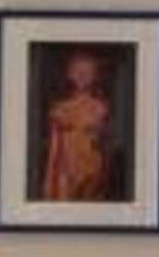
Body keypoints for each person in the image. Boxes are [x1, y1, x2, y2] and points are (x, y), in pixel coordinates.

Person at [38, 49, 118, 202]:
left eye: (88, 71)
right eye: (78, 71)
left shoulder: (100, 108)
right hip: (66, 169)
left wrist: (104, 173)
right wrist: (49, 181)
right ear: (70, 74)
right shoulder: (60, 110)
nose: (82, 75)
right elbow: (54, 149)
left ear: (95, 75)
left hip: (93, 168)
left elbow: (105, 145)